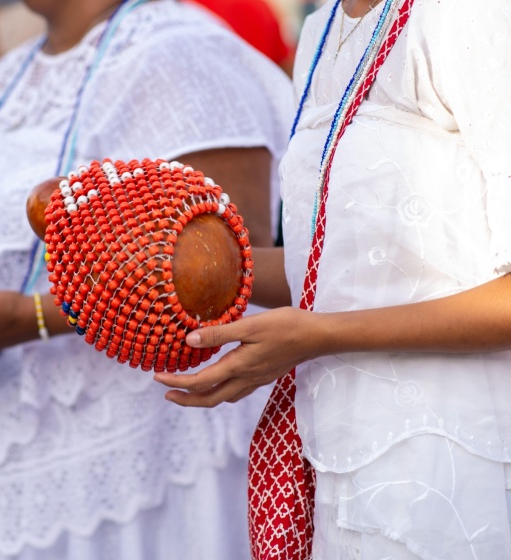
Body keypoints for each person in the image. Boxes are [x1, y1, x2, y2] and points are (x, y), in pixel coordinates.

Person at [0, 0, 293, 558]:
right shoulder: (5, 78)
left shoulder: (181, 51)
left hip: (139, 445)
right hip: (0, 433)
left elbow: (227, 272)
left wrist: (36, 317)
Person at [155, 0, 511, 558]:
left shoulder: (469, 13)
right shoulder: (322, 31)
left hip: (450, 459)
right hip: (338, 451)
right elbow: (324, 262)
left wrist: (321, 335)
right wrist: (157, 266)